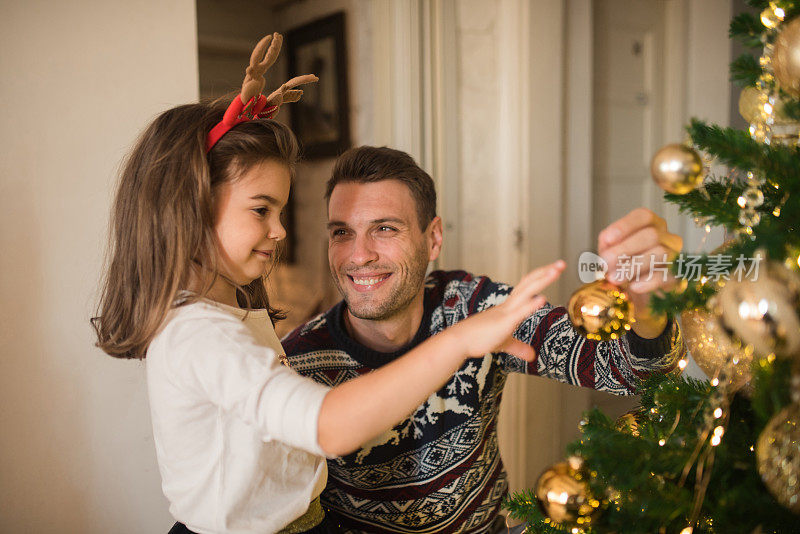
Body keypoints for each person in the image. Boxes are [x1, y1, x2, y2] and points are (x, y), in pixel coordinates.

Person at [91, 34, 565, 534]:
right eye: (261, 210)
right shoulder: (198, 334)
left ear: (433, 237)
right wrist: (459, 342)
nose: (280, 231)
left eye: (280, 210)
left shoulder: (227, 312)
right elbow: (329, 427)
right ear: (188, 208)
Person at [282, 146, 685, 534]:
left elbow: (634, 375)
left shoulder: (475, 305)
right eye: (341, 232)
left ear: (433, 238)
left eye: (385, 228)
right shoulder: (296, 362)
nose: (358, 255)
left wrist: (649, 312)